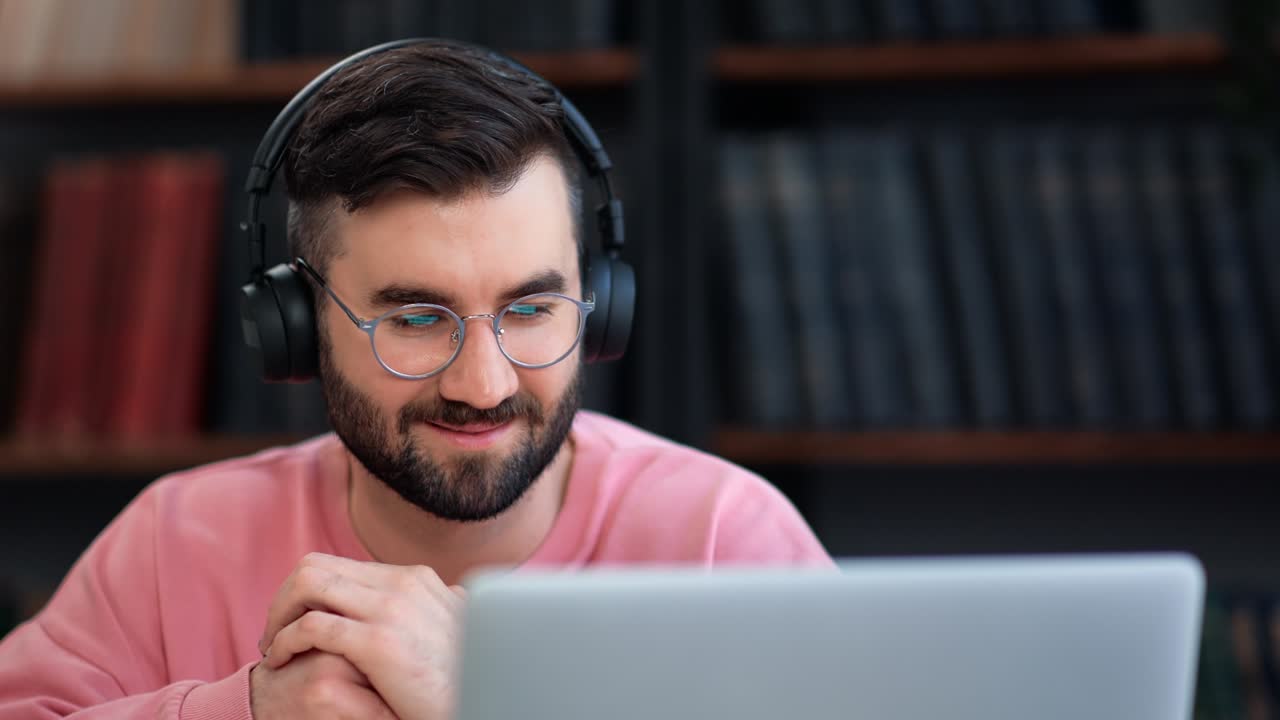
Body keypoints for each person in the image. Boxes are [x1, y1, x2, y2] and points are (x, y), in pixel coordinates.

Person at [0, 40, 831, 719]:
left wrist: (491, 701)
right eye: (418, 320)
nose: (483, 383)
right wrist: (248, 712)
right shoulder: (177, 541)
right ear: (299, 323)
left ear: (599, 304)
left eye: (531, 310)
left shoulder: (726, 539)